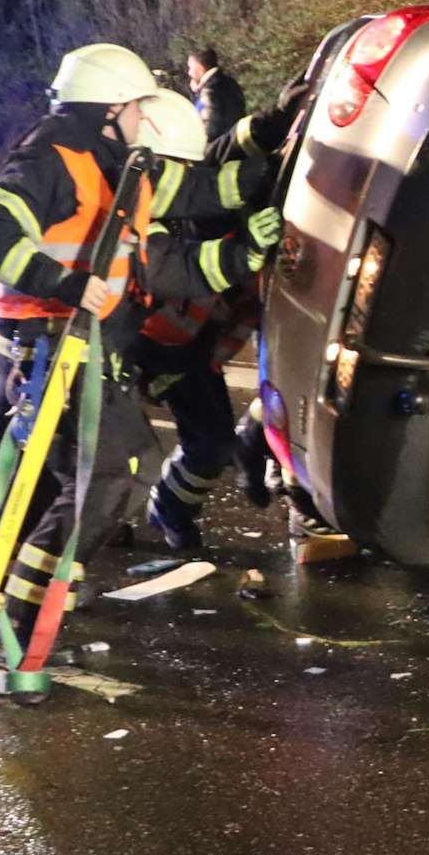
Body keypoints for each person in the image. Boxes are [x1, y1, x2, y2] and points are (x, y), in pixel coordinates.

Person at [0, 44, 280, 583]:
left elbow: (197, 192)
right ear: (110, 107)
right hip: (42, 334)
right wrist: (66, 283)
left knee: (5, 445)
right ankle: (8, 584)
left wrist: (275, 177)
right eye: (134, 106)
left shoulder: (114, 165)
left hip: (58, 334)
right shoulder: (53, 158)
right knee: (76, 466)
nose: (141, 117)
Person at [137, 75, 310, 549]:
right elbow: (227, 151)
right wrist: (277, 121)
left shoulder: (290, 218)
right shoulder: (192, 195)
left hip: (195, 348)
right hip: (141, 341)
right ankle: (71, 525)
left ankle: (168, 509)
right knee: (104, 451)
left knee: (211, 446)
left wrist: (280, 118)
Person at [188, 46, 247, 143]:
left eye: (190, 68)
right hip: (236, 142)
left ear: (200, 68)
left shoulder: (209, 91)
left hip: (220, 148)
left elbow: (209, 128)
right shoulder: (230, 82)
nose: (189, 73)